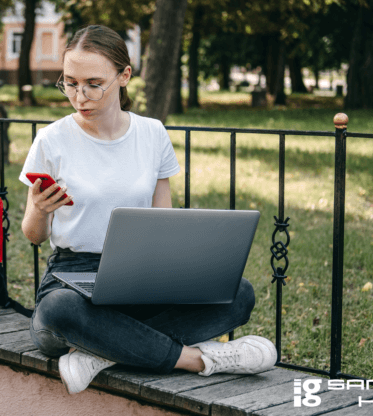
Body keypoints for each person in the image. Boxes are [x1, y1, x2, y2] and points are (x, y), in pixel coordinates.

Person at [19, 24, 277, 395]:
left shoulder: (152, 133)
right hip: (72, 277)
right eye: (70, 83)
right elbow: (33, 234)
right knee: (57, 312)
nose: (80, 96)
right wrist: (41, 210)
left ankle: (103, 351)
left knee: (239, 293)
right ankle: (202, 360)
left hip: (138, 275)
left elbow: (163, 222)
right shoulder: (51, 139)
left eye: (94, 83)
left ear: (124, 76)